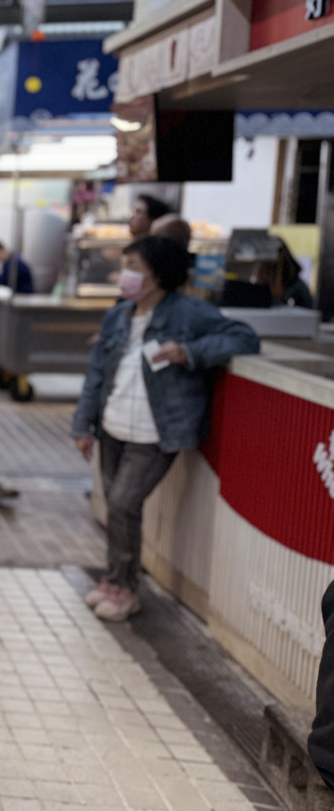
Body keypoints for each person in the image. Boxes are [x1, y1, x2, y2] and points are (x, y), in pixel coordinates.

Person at [71, 236, 258, 621]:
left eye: (135, 267)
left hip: (158, 431)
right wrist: (83, 424)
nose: (127, 275)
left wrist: (188, 352)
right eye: (127, 266)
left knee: (124, 503)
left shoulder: (190, 313)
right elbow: (97, 374)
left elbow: (244, 337)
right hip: (113, 424)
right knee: (116, 507)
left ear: (161, 273)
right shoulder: (119, 315)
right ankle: (113, 579)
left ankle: (126, 589)